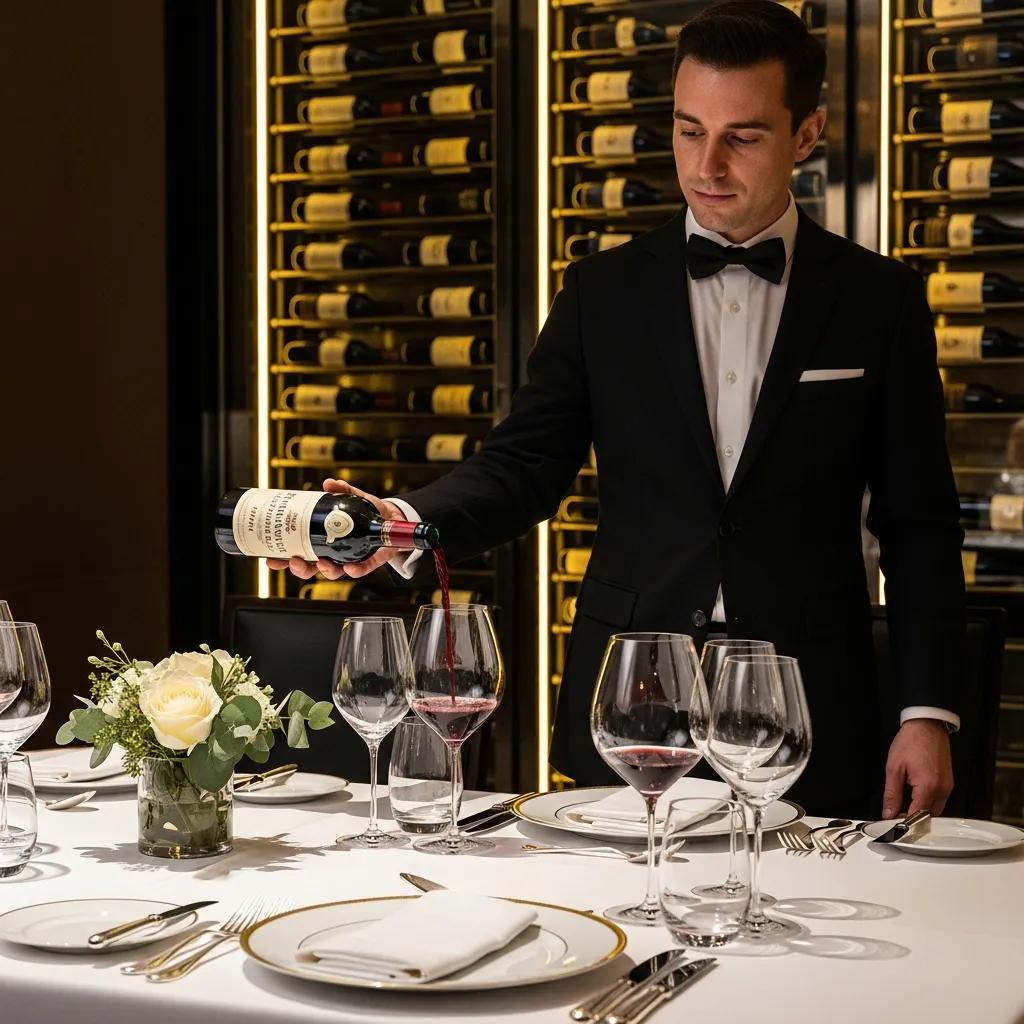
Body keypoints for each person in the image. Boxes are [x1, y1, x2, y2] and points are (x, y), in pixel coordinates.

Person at [272, 0, 966, 820]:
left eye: (742, 136)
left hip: (807, 704)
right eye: (687, 129)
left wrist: (926, 712)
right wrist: (399, 523)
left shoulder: (879, 301)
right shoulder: (603, 292)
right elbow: (522, 466)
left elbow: (919, 524)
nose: (707, 164)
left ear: (806, 135)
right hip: (629, 700)